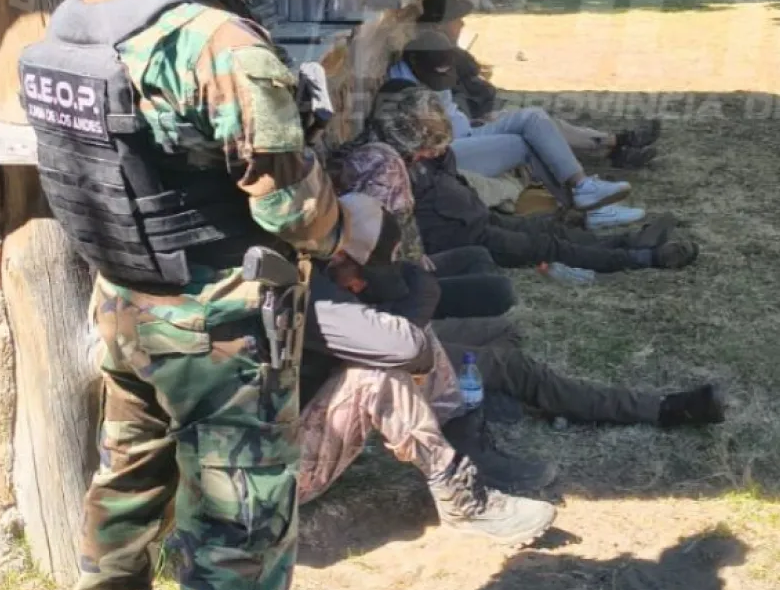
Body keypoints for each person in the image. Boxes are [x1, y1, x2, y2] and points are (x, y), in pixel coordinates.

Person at [18, 0, 386, 590]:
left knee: (124, 497)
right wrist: (354, 225)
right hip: (218, 328)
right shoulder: (215, 36)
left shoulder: (71, 18)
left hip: (123, 306)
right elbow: (289, 205)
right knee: (236, 540)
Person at [336, 142, 726, 429]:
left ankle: (511, 395)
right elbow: (405, 334)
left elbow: (404, 294)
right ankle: (660, 409)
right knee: (514, 365)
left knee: (506, 328)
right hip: (379, 358)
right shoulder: (329, 301)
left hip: (389, 330)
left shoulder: (341, 257)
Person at [298, 218, 560, 531]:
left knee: (410, 340)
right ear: (337, 256)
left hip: (271, 455)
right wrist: (419, 295)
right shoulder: (304, 292)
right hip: (269, 482)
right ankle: (461, 501)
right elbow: (403, 346)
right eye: (360, 276)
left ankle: (468, 451)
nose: (359, 287)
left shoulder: (302, 274)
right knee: (379, 371)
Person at [365, 87, 700, 274]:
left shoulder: (426, 157)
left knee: (549, 230)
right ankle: (644, 257)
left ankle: (631, 241)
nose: (433, 152)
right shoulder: (387, 175)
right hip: (465, 241)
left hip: (478, 220)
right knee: (546, 246)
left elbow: (452, 180)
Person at [388, 27, 649, 231]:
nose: (440, 82)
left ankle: (582, 186)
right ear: (413, 63)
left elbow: (450, 111)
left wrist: (477, 123)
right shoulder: (402, 92)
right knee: (521, 145)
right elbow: (427, 145)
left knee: (533, 117)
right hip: (446, 155)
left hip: (467, 133)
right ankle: (589, 208)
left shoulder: (426, 66)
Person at [416, 0, 662, 169]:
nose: (462, 24)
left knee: (545, 122)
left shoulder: (433, 53)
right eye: (456, 19)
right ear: (441, 25)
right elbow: (454, 101)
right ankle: (616, 145)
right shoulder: (435, 58)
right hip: (465, 134)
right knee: (538, 127)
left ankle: (615, 145)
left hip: (470, 124)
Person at [332, 141, 517, 319]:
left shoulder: (362, 206)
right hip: (397, 299)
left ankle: (469, 319)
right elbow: (381, 285)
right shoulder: (360, 223)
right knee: (499, 291)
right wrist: (421, 281)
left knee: (479, 257)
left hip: (403, 273)